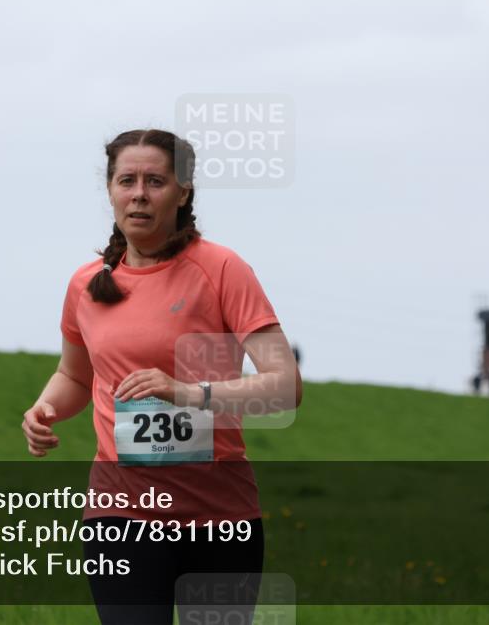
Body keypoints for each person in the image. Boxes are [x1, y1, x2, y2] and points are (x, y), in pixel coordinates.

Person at [21, 129, 302, 625]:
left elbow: (284, 386)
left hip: (219, 517)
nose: (139, 194)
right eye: (127, 180)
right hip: (119, 516)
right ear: (110, 190)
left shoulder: (221, 269)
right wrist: (45, 409)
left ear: (183, 192)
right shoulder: (85, 284)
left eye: (155, 181)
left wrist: (189, 393)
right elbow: (74, 375)